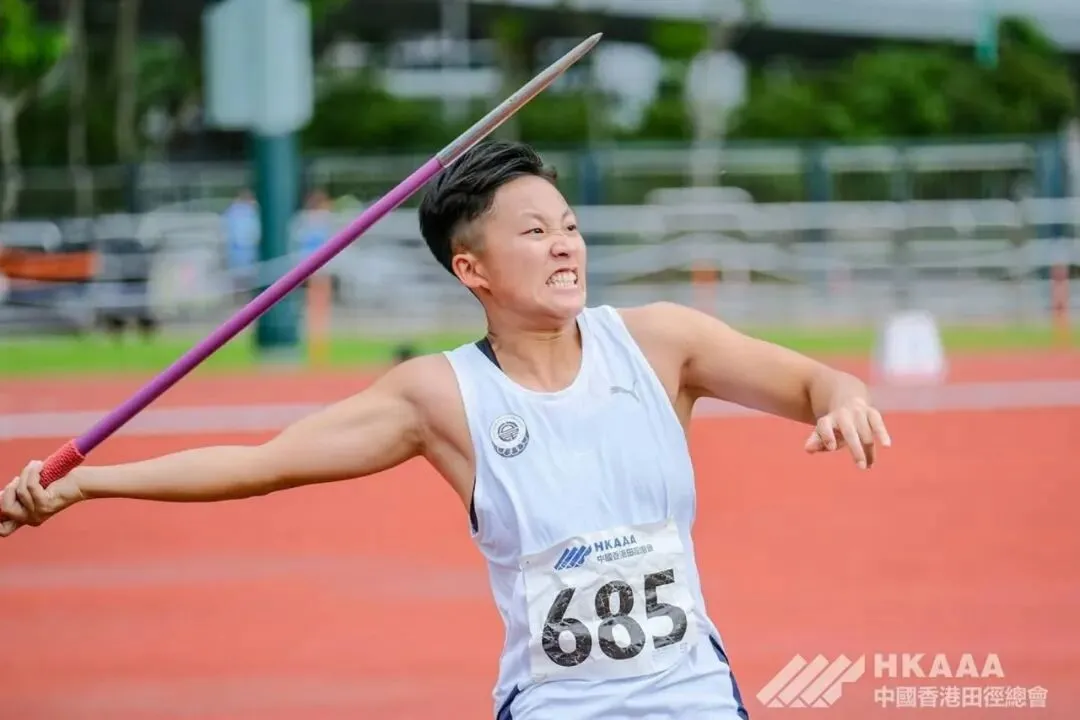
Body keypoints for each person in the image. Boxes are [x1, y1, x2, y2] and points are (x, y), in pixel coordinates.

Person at [1, 140, 891, 719]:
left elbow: (817, 381)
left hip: (693, 696)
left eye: (569, 226)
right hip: (555, 708)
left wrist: (843, 400)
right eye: (534, 232)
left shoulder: (659, 343)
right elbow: (263, 462)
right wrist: (85, 483)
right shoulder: (440, 396)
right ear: (473, 269)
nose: (565, 245)